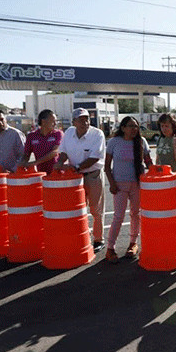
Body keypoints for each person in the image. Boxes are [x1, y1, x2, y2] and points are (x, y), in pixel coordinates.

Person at [55, 108, 107, 253]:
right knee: (78, 208)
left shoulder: (97, 134)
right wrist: (60, 163)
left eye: (87, 119)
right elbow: (63, 152)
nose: (85, 122)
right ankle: (83, 237)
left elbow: (95, 157)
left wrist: (76, 167)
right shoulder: (69, 133)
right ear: (74, 122)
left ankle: (98, 239)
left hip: (92, 175)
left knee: (96, 209)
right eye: (81, 119)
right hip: (74, 177)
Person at [104, 116, 153, 264]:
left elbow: (148, 161)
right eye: (131, 126)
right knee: (118, 216)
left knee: (135, 214)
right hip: (119, 185)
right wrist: (111, 183)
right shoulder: (114, 142)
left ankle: (133, 243)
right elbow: (107, 166)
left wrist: (155, 172)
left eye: (136, 126)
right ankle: (110, 247)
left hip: (137, 184)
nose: (134, 129)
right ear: (123, 128)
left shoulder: (141, 142)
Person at [22, 109, 63, 174]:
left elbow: (55, 152)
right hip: (40, 174)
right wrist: (23, 164)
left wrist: (35, 163)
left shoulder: (58, 134)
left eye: (56, 121)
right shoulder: (31, 136)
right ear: (43, 121)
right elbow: (26, 154)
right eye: (53, 121)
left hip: (56, 174)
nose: (55, 124)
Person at [155, 112, 176, 193]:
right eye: (162, 126)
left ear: (173, 126)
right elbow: (158, 159)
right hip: (162, 178)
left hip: (175, 179)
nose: (164, 129)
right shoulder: (160, 139)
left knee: (175, 205)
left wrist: (175, 145)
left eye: (166, 126)